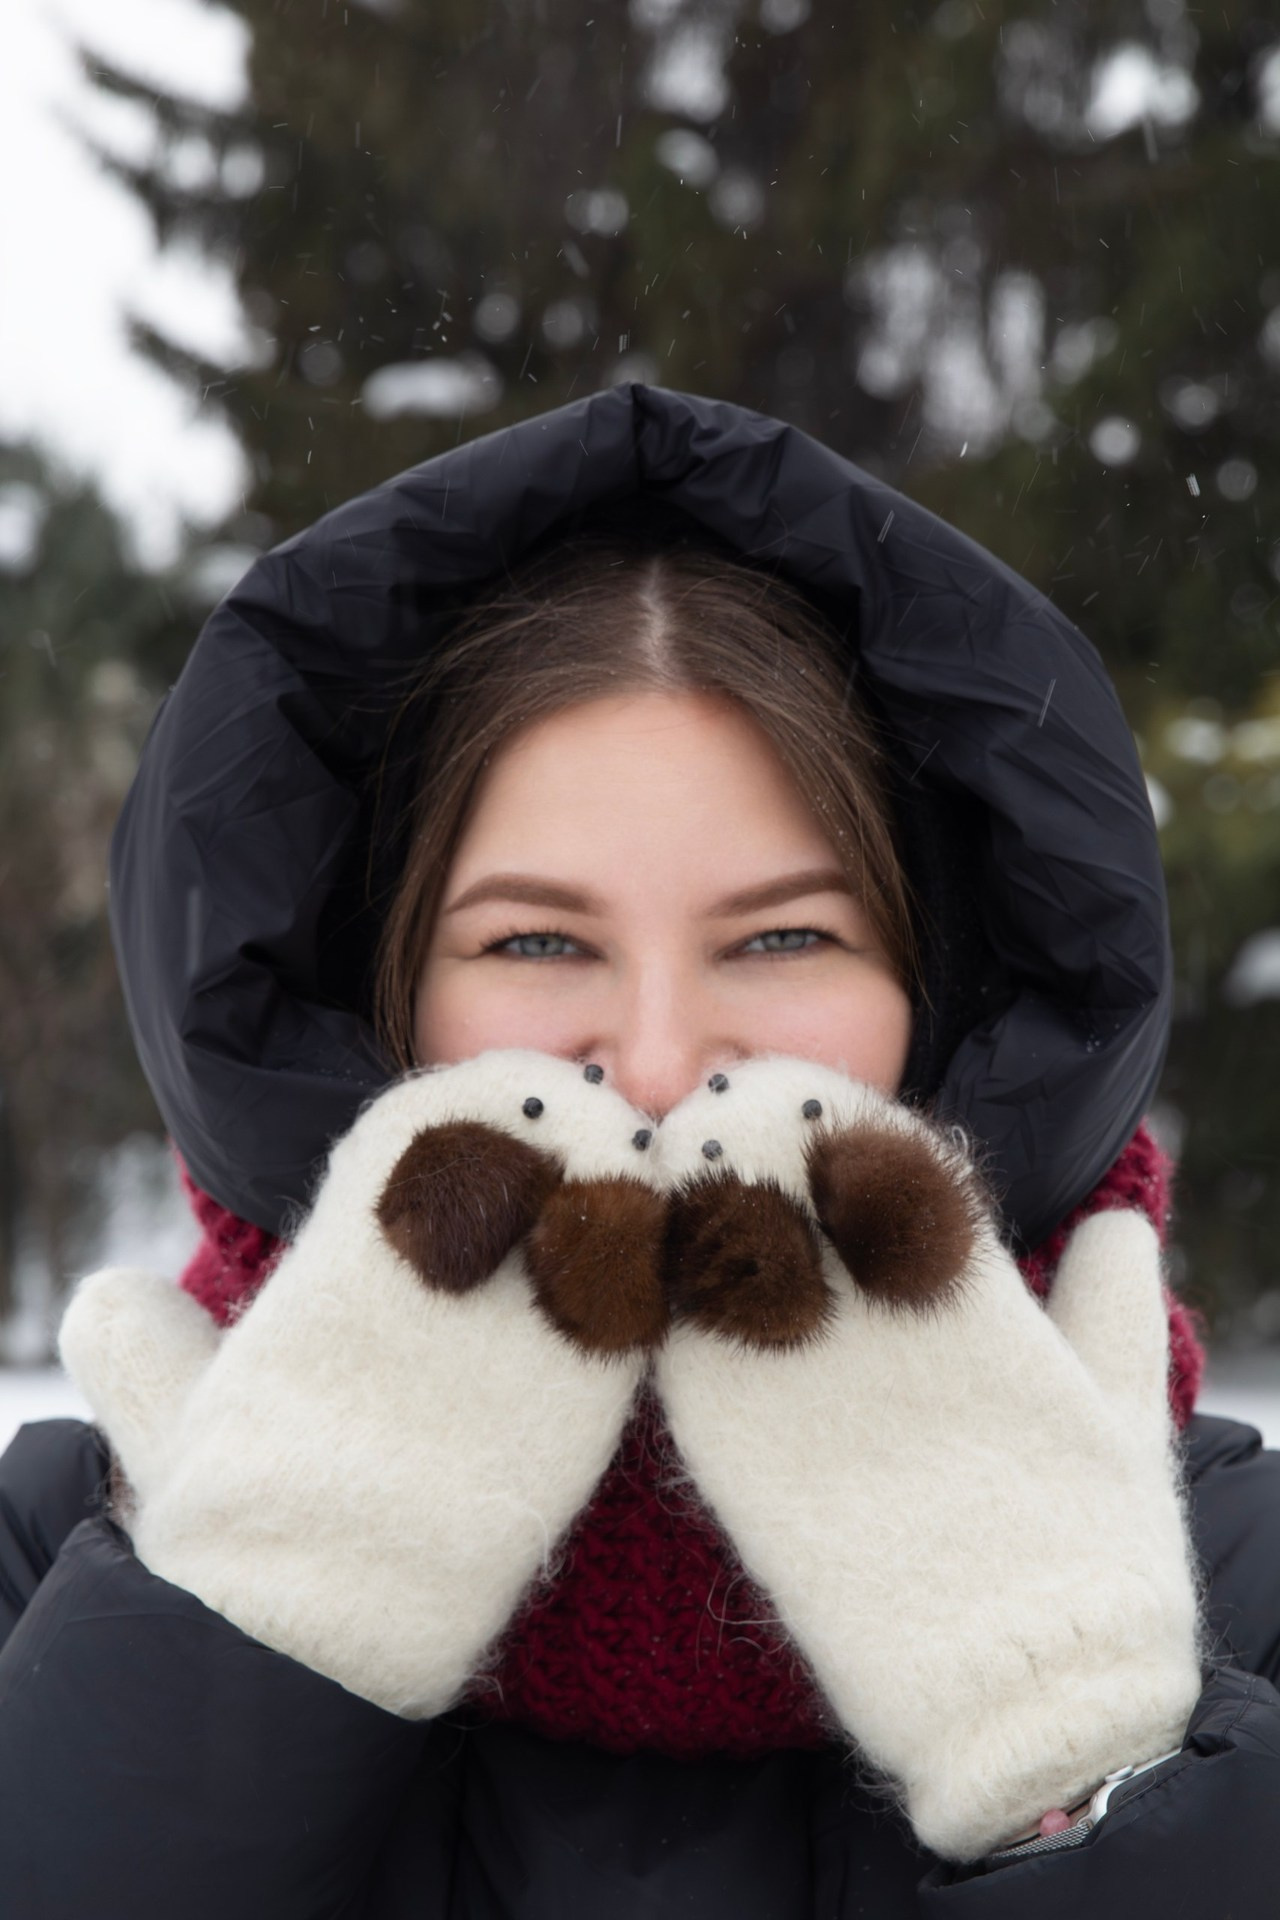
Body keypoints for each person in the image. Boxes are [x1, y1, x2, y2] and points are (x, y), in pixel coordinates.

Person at [0, 384, 1277, 1916]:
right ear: (381, 994)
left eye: (786, 934)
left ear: (938, 1003)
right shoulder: (79, 1551)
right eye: (537, 937)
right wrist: (244, 1638)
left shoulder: (1222, 1579)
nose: (664, 1061)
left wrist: (1086, 1772)